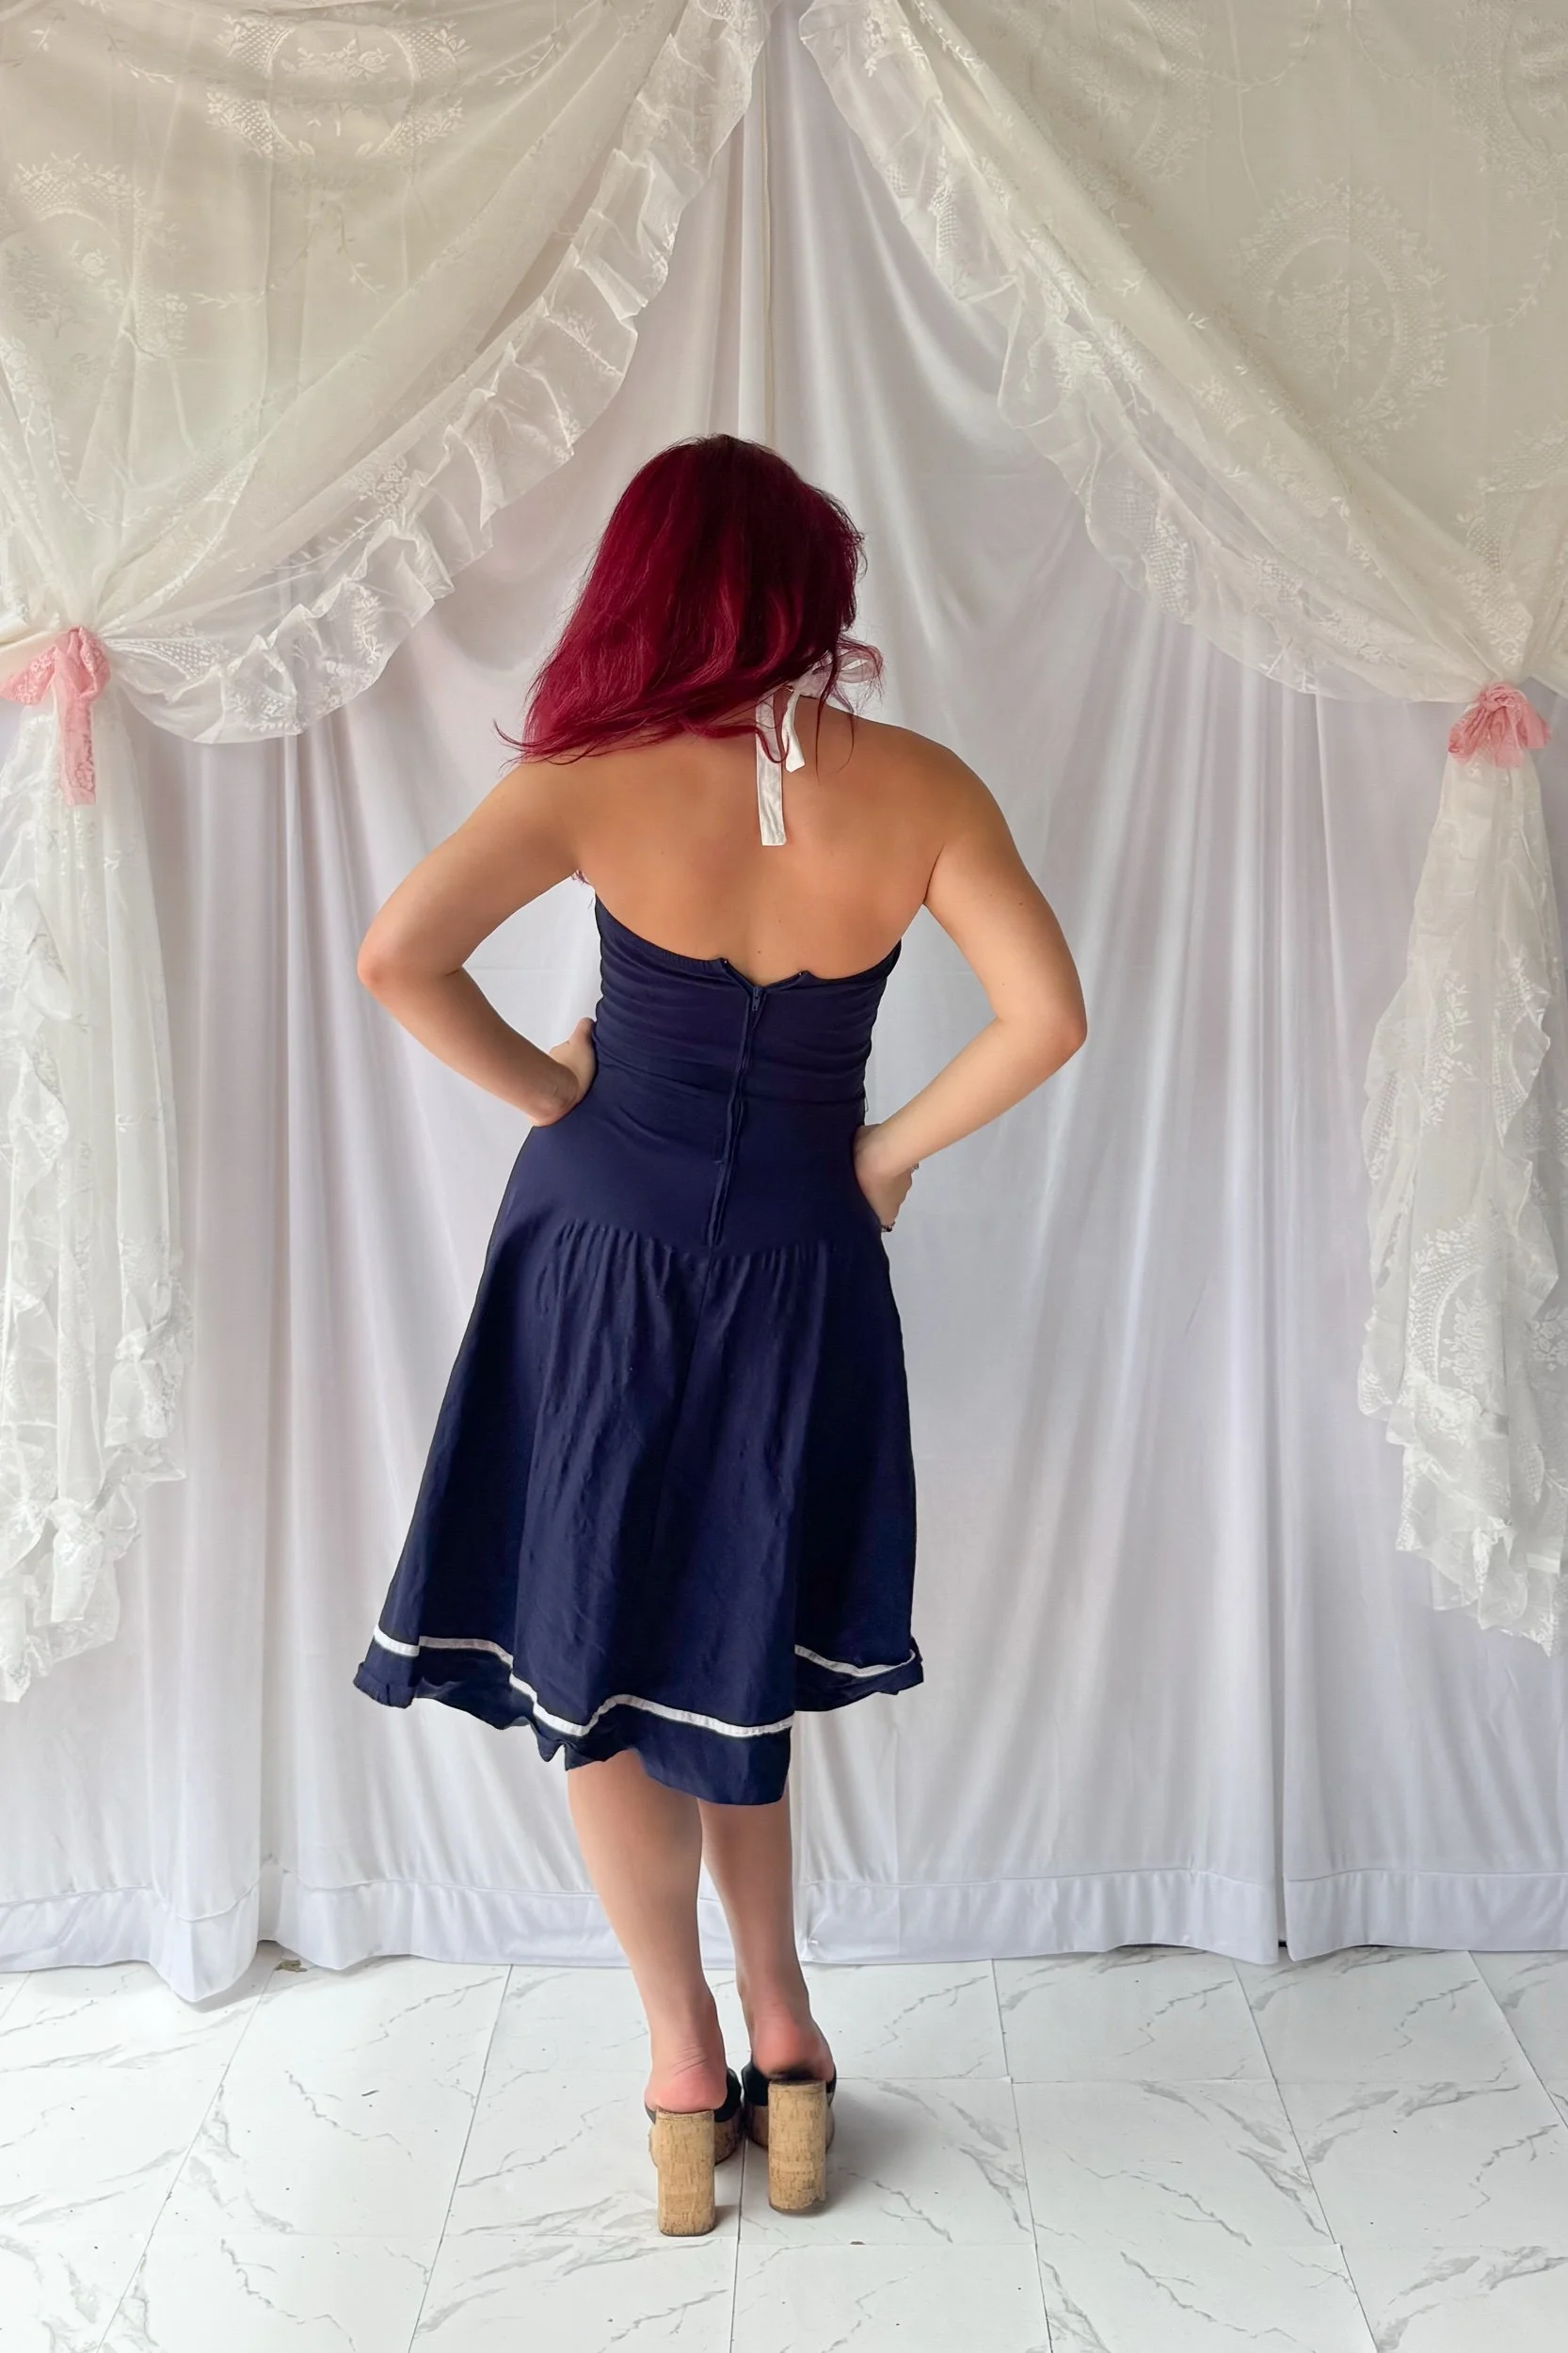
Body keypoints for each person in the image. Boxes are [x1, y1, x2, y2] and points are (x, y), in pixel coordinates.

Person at [351, 433, 1086, 2233]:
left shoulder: (591, 778)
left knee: (602, 1655)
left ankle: (683, 2069)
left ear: (646, 586)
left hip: (596, 1256)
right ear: (813, 590)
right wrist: (883, 1157)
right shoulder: (920, 786)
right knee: (731, 1645)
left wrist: (555, 1092)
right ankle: (789, 2039)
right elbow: (1045, 1015)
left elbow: (396, 956)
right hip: (800, 1262)